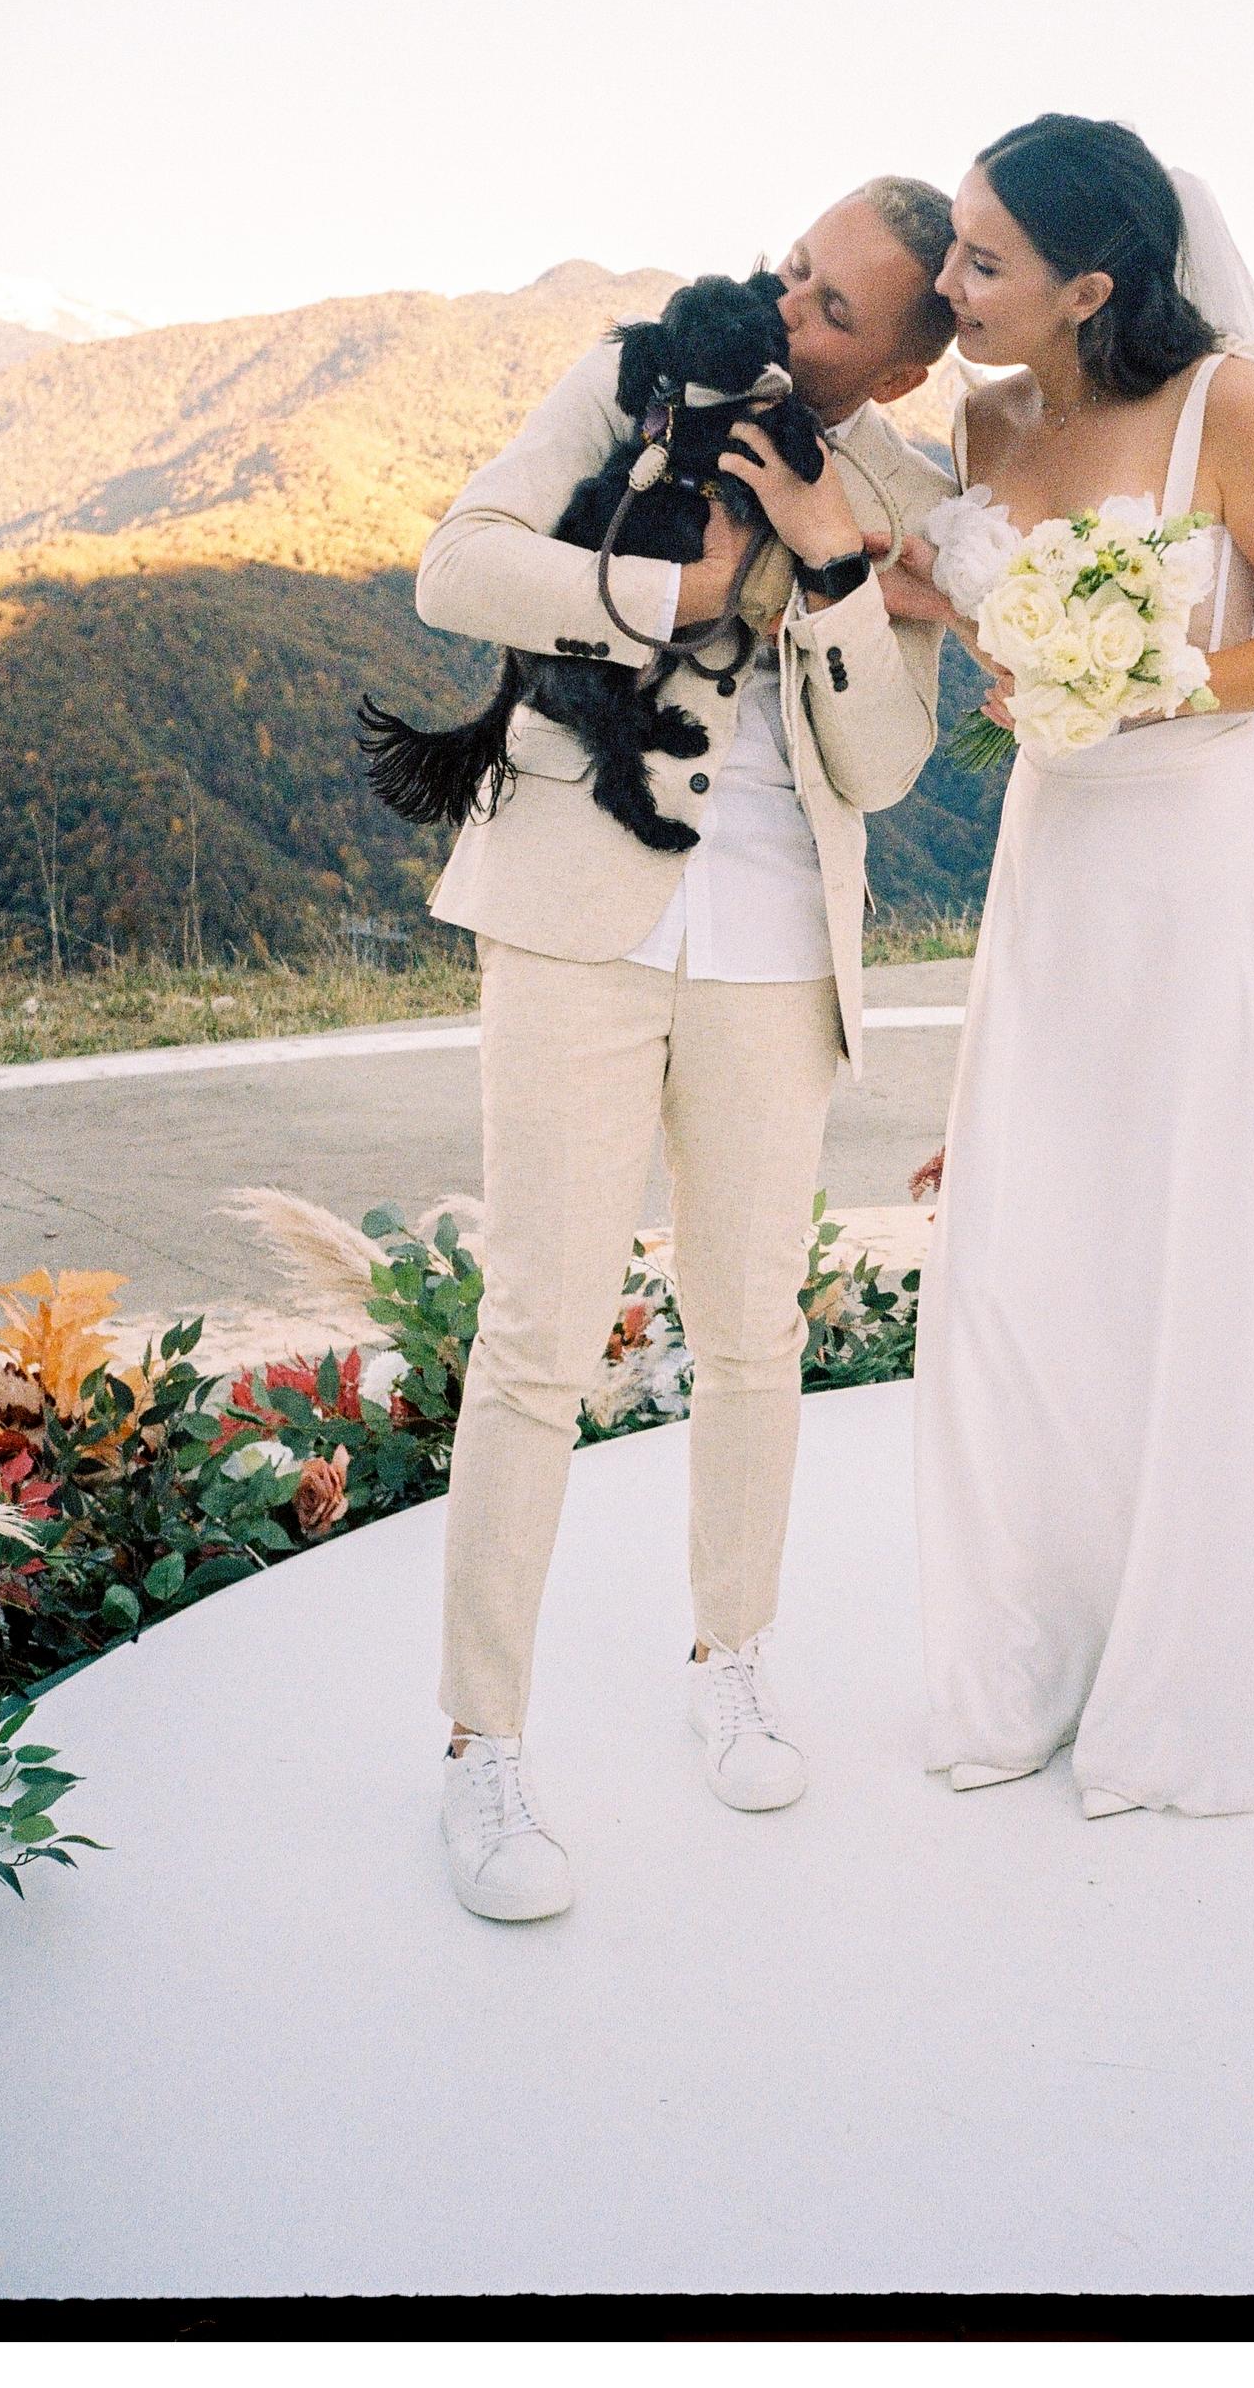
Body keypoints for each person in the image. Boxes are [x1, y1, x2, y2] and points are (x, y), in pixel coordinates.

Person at [417, 178, 957, 1917]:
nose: (784, 307)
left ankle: (735, 1656)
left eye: (833, 307)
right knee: (536, 1335)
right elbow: (456, 562)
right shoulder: (634, 368)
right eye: (794, 267)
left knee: (750, 1327)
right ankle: (483, 1744)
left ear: (902, 365)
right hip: (575, 907)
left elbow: (884, 766)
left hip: (774, 942)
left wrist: (833, 560)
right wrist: (672, 585)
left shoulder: (901, 492)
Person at [880, 114, 1254, 1818]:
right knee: (1031, 1246)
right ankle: (1038, 1639)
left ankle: (1200, 1654)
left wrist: (1158, 684)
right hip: (1058, 866)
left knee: (1185, 1241)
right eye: (954, 245)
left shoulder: (1228, 406)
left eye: (984, 261)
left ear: (1090, 287)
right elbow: (1002, 620)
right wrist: (968, 627)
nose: (949, 282)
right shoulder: (983, 415)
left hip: (1198, 869)